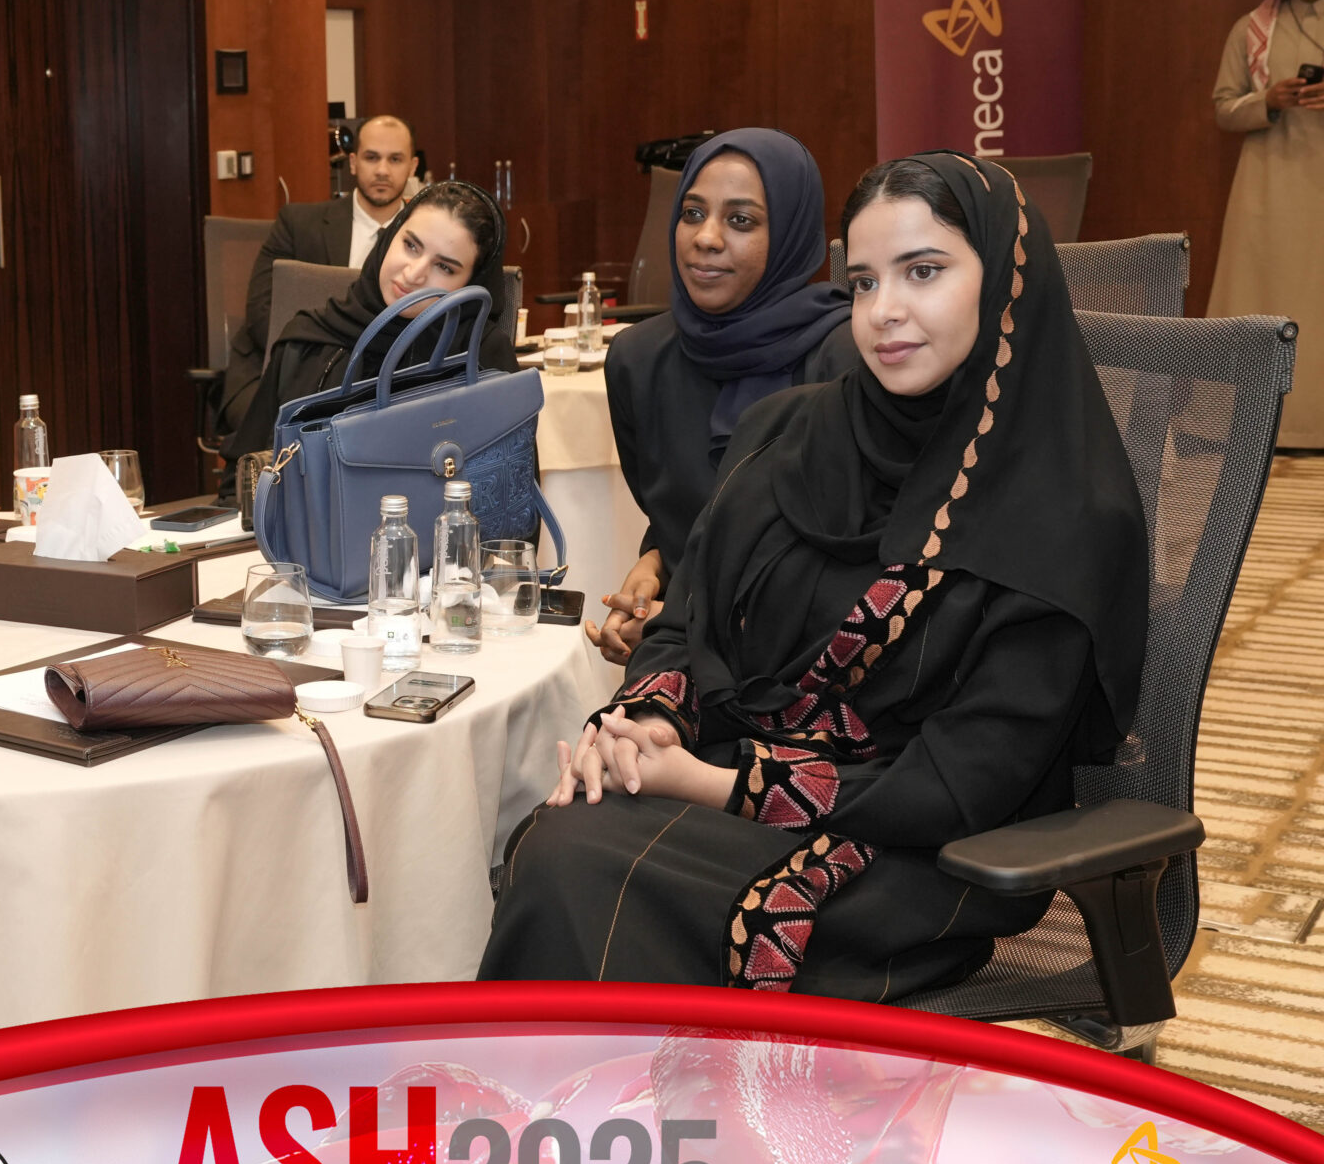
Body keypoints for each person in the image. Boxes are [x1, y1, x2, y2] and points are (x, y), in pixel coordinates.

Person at [479, 152, 1145, 999]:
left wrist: (716, 784)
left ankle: (608, 1087)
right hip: (732, 778)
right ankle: (600, 1088)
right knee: (555, 838)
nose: (884, 310)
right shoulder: (786, 434)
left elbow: (969, 777)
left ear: (1006, 283)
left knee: (576, 866)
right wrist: (647, 721)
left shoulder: (1063, 511)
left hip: (922, 852)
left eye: (924, 271)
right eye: (863, 282)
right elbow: (688, 617)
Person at [589, 129, 857, 666]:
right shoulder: (638, 360)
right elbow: (683, 515)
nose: (706, 238)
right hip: (682, 653)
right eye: (692, 213)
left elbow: (854, 562)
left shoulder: (846, 357)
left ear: (789, 233)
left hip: (818, 662)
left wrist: (685, 624)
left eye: (741, 220)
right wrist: (655, 567)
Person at [221, 181, 513, 491]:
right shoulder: (309, 341)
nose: (413, 274)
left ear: (470, 284)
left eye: (444, 266)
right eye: (411, 245)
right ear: (390, 236)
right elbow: (241, 479)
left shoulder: (479, 357)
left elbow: (512, 494)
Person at [222, 114, 431, 434]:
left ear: (412, 166)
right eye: (371, 157)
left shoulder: (429, 239)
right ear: (353, 163)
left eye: (395, 159)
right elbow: (263, 312)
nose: (382, 170)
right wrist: (325, 370)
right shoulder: (298, 223)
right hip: (288, 370)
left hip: (384, 379)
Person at [1211, 0, 1324, 447]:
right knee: (1263, 296)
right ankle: (1256, 425)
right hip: (1269, 186)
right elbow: (1224, 109)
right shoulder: (1251, 29)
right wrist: (1269, 101)